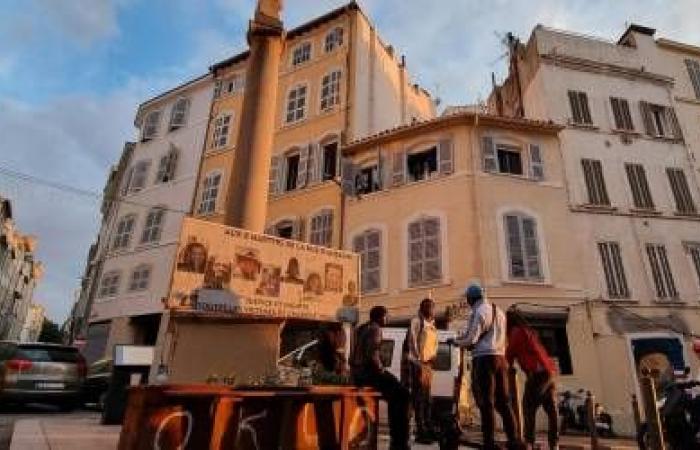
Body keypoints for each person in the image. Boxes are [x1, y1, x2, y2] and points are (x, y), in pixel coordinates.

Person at [452, 284, 522, 450]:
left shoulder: (478, 311)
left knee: (486, 403)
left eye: (467, 299)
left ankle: (489, 442)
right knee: (504, 402)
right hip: (500, 358)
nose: (467, 301)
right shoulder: (499, 312)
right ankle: (514, 440)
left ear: (471, 298)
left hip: (484, 360)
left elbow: (471, 339)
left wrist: (455, 342)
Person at [351, 306, 410, 450]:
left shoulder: (361, 328)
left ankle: (396, 440)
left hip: (358, 374)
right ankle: (398, 442)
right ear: (379, 317)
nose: (387, 319)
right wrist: (382, 370)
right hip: (369, 374)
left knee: (394, 394)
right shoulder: (375, 329)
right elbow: (373, 354)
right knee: (403, 395)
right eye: (386, 316)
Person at [506, 308, 559, 450]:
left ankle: (529, 442)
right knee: (551, 409)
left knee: (528, 407)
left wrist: (508, 365)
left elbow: (510, 352)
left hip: (538, 373)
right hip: (549, 371)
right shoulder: (530, 331)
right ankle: (554, 444)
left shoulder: (516, 332)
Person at [402, 298, 438, 444]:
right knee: (419, 399)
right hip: (418, 364)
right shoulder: (416, 322)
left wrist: (432, 358)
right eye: (427, 307)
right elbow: (411, 342)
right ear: (422, 308)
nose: (430, 309)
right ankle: (421, 430)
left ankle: (428, 427)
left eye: (432, 307)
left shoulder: (432, 325)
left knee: (427, 399)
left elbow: (435, 344)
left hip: (428, 366)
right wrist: (418, 360)